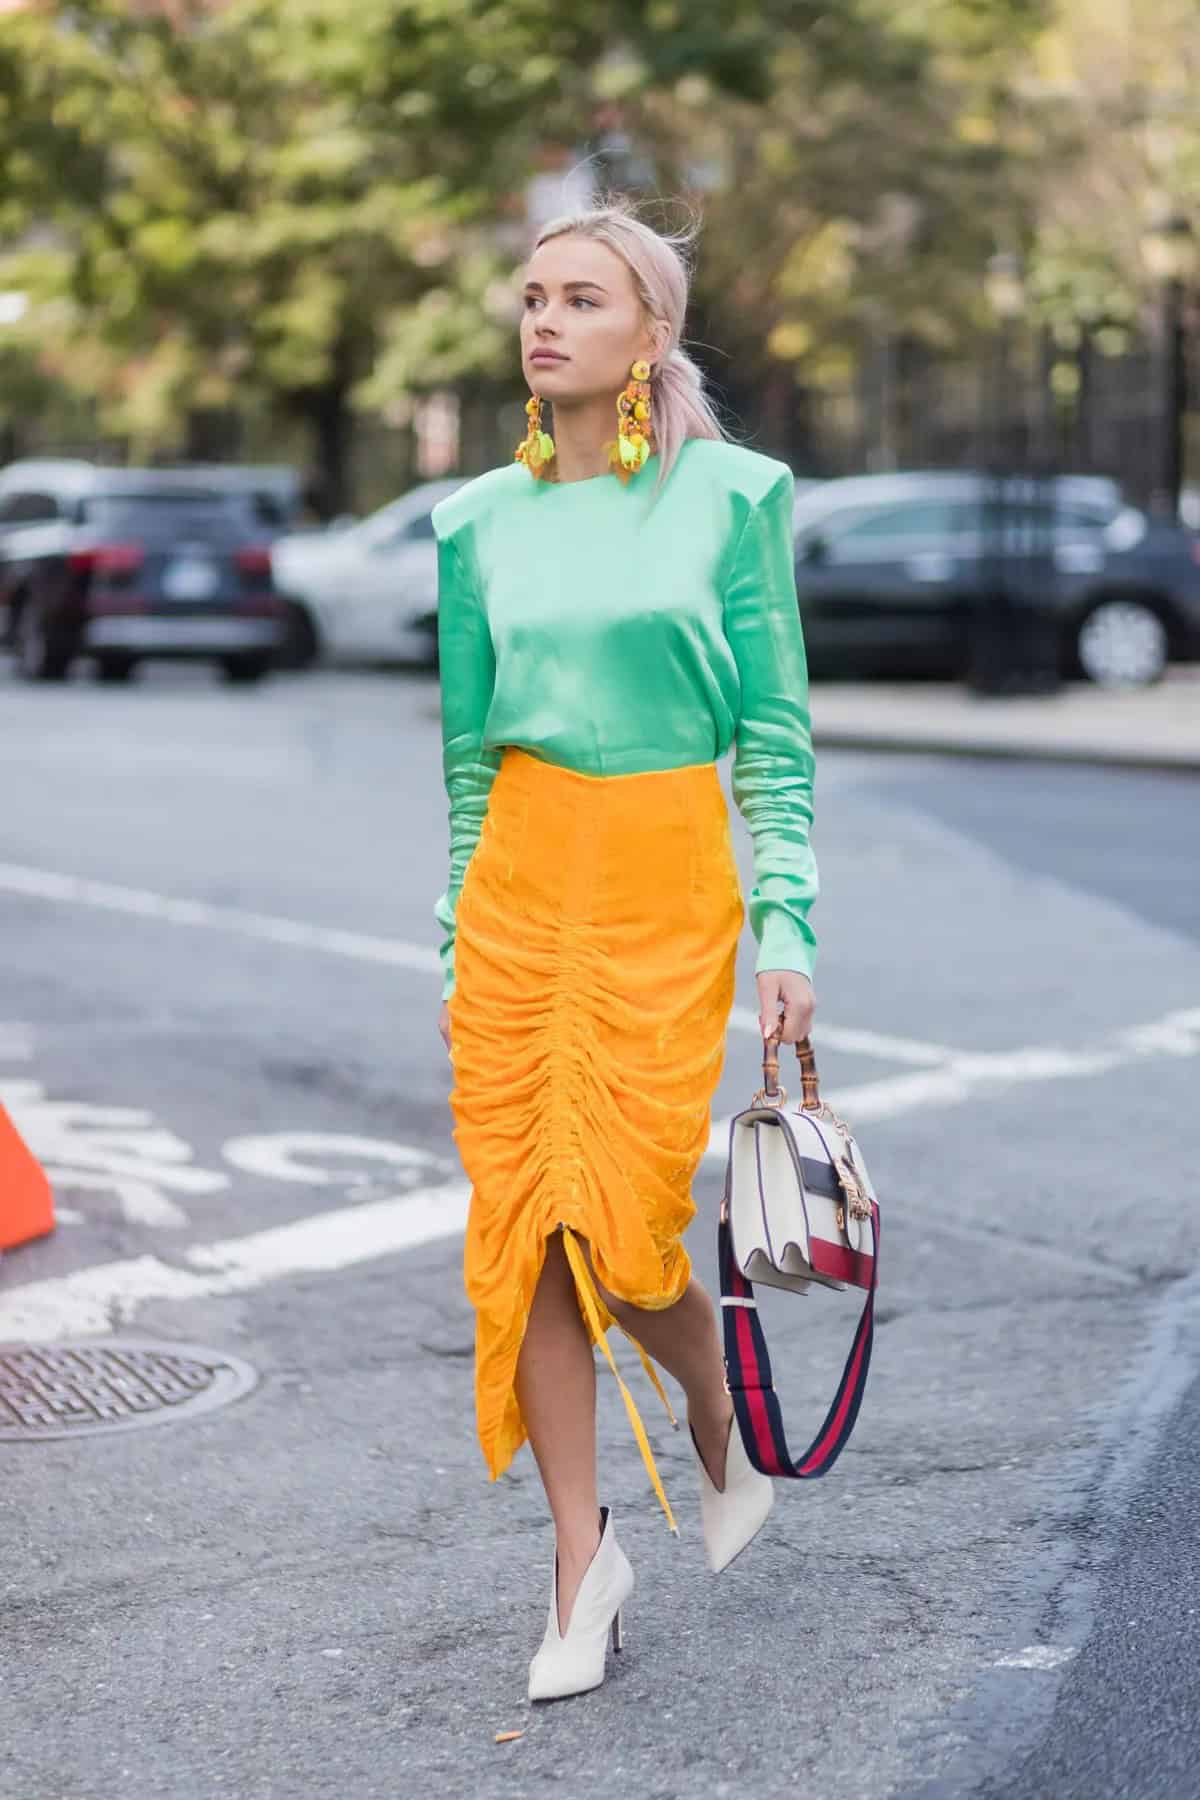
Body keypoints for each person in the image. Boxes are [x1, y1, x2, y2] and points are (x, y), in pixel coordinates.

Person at [431, 199, 818, 1703]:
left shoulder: (733, 497)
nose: (545, 320)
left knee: (628, 1216)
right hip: (522, 885)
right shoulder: (473, 524)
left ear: (647, 336)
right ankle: (579, 1564)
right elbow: (467, 768)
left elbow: (773, 742)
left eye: (582, 297)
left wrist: (786, 919)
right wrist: (457, 937)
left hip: (666, 881)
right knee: (525, 1223)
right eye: (532, 296)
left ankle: (721, 1424)